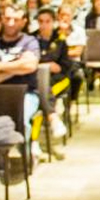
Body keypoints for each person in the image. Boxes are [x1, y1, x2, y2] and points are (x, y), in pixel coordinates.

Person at [0, 5, 41, 134]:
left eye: (15, 19)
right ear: (2, 19)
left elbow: (29, 66)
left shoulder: (30, 42)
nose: (10, 23)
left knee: (21, 120)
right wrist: (17, 66)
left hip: (25, 94)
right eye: (7, 19)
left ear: (23, 22)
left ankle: (25, 151)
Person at [35, 8, 71, 139]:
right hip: (36, 77)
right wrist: (45, 65)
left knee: (43, 88)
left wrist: (51, 66)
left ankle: (35, 139)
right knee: (40, 89)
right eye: (41, 21)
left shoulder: (60, 40)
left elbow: (64, 66)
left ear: (53, 22)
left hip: (58, 78)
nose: (44, 25)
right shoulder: (32, 39)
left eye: (47, 21)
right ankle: (52, 116)